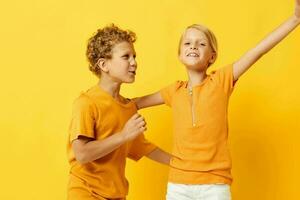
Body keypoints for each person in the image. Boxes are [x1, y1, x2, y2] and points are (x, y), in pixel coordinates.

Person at [134, 1, 300, 199]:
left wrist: (295, 19)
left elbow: (257, 52)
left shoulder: (221, 80)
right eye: (187, 43)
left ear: (212, 57)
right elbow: (133, 103)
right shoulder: (174, 91)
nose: (193, 46)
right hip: (178, 184)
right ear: (180, 54)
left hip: (215, 185)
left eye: (201, 43)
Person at [67, 24, 171, 200]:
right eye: (126, 57)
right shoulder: (86, 103)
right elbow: (82, 154)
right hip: (87, 193)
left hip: (116, 195)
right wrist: (123, 135)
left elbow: (143, 148)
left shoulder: (127, 108)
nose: (134, 62)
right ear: (104, 64)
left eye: (134, 56)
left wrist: (185, 164)